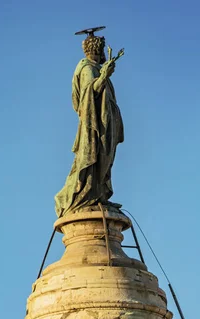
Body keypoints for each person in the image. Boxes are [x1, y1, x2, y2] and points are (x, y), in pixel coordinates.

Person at [55, 35, 124, 216]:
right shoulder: (87, 68)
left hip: (104, 122)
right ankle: (86, 196)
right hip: (94, 124)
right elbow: (88, 95)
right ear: (97, 50)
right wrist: (104, 75)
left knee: (105, 158)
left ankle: (99, 194)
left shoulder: (94, 68)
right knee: (94, 157)